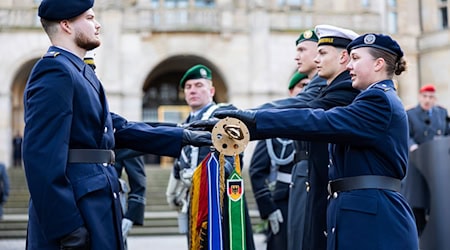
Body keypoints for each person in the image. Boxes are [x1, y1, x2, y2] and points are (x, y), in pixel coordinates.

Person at [23, 1, 211, 249]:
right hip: (76, 209)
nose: (98, 24)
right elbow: (41, 157)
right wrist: (66, 227)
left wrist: (183, 135)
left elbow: (117, 128)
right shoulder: (54, 71)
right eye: (90, 18)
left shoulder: (79, 72)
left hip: (97, 201)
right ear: (66, 25)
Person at [213, 33, 419, 249]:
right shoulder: (371, 98)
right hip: (361, 212)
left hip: (374, 217)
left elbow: (320, 120)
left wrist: (256, 118)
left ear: (378, 64)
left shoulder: (378, 100)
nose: (349, 65)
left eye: (356, 58)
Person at [165, 64, 255, 250]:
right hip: (193, 197)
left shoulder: (224, 113)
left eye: (199, 85)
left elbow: (234, 153)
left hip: (220, 196)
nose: (192, 91)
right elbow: (180, 161)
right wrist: (173, 189)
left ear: (211, 90)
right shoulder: (184, 123)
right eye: (188, 87)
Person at [249, 72, 309, 250]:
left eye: (310, 86)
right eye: (302, 86)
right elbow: (257, 170)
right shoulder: (276, 128)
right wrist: (268, 208)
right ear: (291, 92)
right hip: (284, 201)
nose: (306, 91)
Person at [401, 83, 449, 236]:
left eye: (431, 97)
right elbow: (406, 136)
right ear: (419, 97)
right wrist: (413, 147)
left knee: (437, 204)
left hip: (437, 166)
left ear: (435, 99)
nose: (427, 100)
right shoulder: (410, 114)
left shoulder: (442, 113)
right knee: (417, 204)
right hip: (417, 165)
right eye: (424, 97)